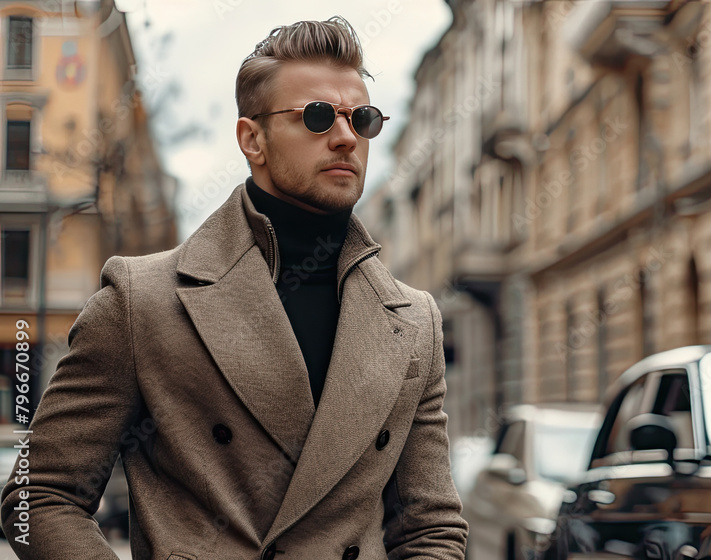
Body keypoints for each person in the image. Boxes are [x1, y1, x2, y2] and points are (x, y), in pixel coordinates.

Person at [0, 17, 468, 559]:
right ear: (252, 139)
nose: (345, 137)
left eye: (361, 119)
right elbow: (37, 497)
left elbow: (430, 526)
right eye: (317, 117)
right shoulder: (143, 300)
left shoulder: (414, 320)